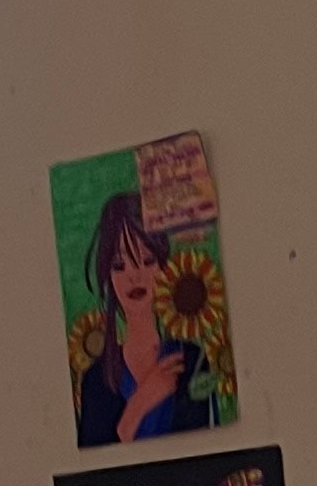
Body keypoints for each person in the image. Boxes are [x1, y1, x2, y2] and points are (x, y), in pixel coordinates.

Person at [71, 190, 214, 444]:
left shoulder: (193, 360)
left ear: (164, 267)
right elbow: (92, 476)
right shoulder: (96, 381)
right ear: (108, 278)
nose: (134, 276)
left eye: (147, 261)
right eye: (119, 265)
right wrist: (138, 407)